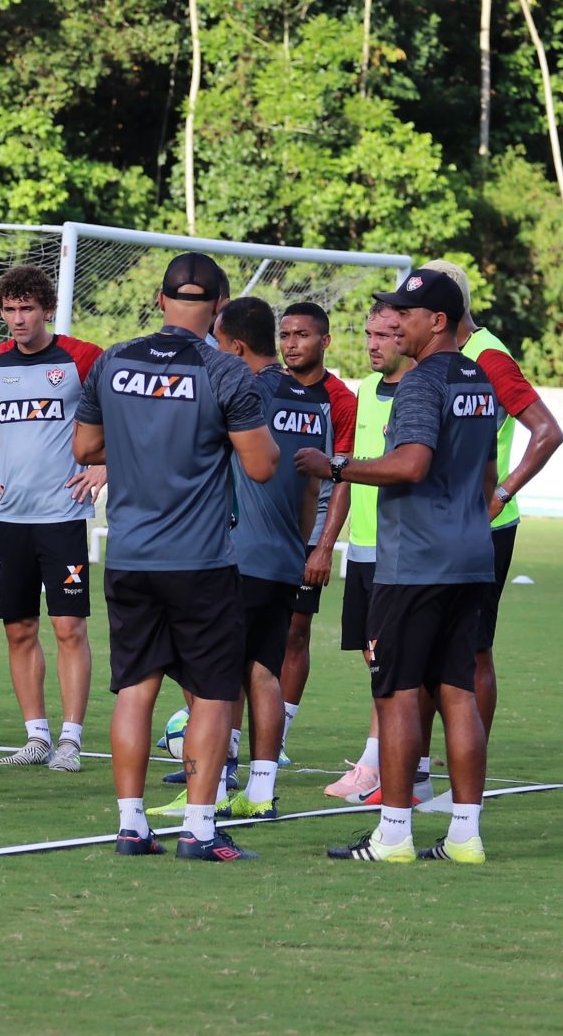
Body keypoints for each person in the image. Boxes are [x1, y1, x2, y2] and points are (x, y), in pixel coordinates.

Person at [72, 252, 277, 861]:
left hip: (130, 555)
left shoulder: (113, 360)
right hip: (200, 561)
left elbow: (85, 447)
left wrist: (142, 439)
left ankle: (131, 826)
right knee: (213, 694)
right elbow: (261, 466)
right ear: (219, 307)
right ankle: (199, 829)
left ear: (160, 301)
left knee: (135, 690)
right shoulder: (225, 371)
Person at [301, 268, 498, 863]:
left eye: (405, 315)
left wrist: (337, 467)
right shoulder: (479, 380)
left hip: (414, 562)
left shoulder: (420, 382)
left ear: (436, 322)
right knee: (458, 692)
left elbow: (411, 464)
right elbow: (487, 475)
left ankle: (392, 835)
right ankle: (465, 836)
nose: (396, 323)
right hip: (470, 556)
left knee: (397, 695)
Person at [188, 297, 328, 821]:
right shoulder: (311, 401)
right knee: (264, 671)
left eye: (220, 344)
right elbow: (312, 488)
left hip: (237, 556)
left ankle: (215, 787)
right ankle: (262, 791)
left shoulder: (243, 392)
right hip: (285, 556)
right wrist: (298, 544)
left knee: (216, 675)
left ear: (237, 346)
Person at [419, 259, 563, 735]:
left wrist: (502, 492)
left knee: (474, 648)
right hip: (442, 523)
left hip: (484, 526)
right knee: (427, 646)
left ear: (443, 309)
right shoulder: (438, 354)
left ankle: (472, 765)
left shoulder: (490, 357)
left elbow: (547, 432)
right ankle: (418, 764)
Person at [0, 264, 104, 773]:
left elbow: (124, 413)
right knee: (18, 628)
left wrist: (105, 465)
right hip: (9, 517)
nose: (18, 319)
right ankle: (36, 737)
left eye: (27, 308)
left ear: (47, 309)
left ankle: (71, 740)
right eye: (9, 310)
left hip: (63, 514)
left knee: (69, 627)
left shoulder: (82, 358)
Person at [320, 303, 417, 803]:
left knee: (390, 661)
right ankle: (398, 763)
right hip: (361, 548)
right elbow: (348, 471)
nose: (374, 344)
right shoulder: (366, 389)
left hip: (401, 550)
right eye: (369, 334)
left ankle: (377, 766)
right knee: (372, 656)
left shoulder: (422, 392)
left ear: (409, 335)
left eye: (385, 335)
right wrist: (327, 544)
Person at [274, 302, 357, 761]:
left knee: (295, 632)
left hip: (309, 532)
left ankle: (279, 736)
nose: (291, 344)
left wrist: (325, 546)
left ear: (325, 341)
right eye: (285, 335)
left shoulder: (340, 401)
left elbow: (343, 478)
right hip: (263, 528)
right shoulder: (266, 386)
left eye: (301, 335)